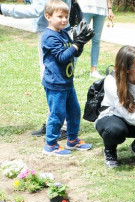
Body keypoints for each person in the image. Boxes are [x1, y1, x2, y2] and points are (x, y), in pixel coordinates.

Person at [0, 0, 71, 139]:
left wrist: (2, 8)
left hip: (54, 32)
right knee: (53, 78)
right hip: (56, 31)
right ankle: (54, 121)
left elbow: (36, 9)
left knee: (55, 79)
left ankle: (61, 125)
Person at [41, 0, 94, 156]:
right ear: (48, 16)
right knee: (57, 114)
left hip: (67, 82)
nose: (64, 20)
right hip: (55, 84)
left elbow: (75, 53)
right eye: (60, 16)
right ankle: (50, 145)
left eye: (66, 16)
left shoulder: (63, 33)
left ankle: (72, 140)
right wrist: (76, 44)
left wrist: (81, 43)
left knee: (74, 112)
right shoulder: (49, 37)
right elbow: (62, 57)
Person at [77, 0, 115, 78]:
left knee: (96, 41)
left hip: (101, 8)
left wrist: (110, 9)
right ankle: (71, 69)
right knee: (79, 39)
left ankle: (93, 70)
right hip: (85, 7)